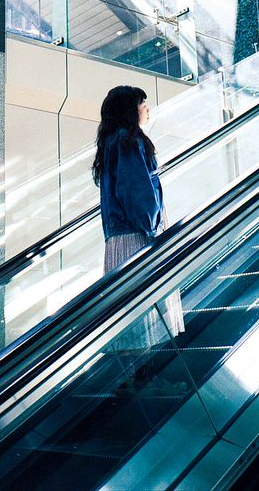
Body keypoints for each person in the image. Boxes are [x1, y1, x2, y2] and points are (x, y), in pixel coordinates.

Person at [92, 85, 184, 378]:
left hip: (118, 239)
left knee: (132, 314)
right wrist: (153, 229)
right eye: (143, 104)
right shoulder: (129, 141)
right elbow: (137, 192)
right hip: (138, 237)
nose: (148, 109)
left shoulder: (110, 143)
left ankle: (133, 382)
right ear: (130, 111)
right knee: (147, 309)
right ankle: (146, 382)